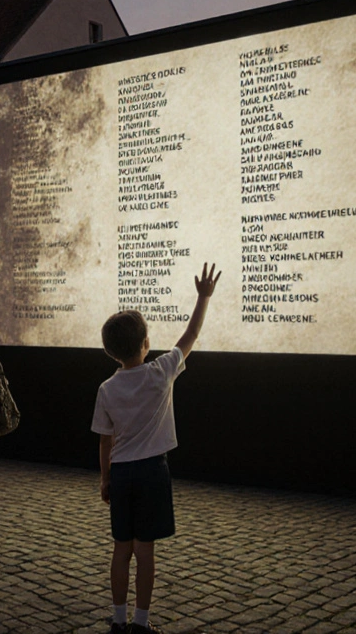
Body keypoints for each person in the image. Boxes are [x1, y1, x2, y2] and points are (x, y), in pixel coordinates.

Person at [93, 263, 220, 634]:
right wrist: (203, 296)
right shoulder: (161, 371)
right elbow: (191, 333)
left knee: (122, 548)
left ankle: (118, 619)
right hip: (152, 472)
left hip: (122, 473)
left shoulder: (106, 389)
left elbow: (105, 439)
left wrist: (105, 479)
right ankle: (141, 622)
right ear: (146, 344)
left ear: (110, 351)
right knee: (145, 551)